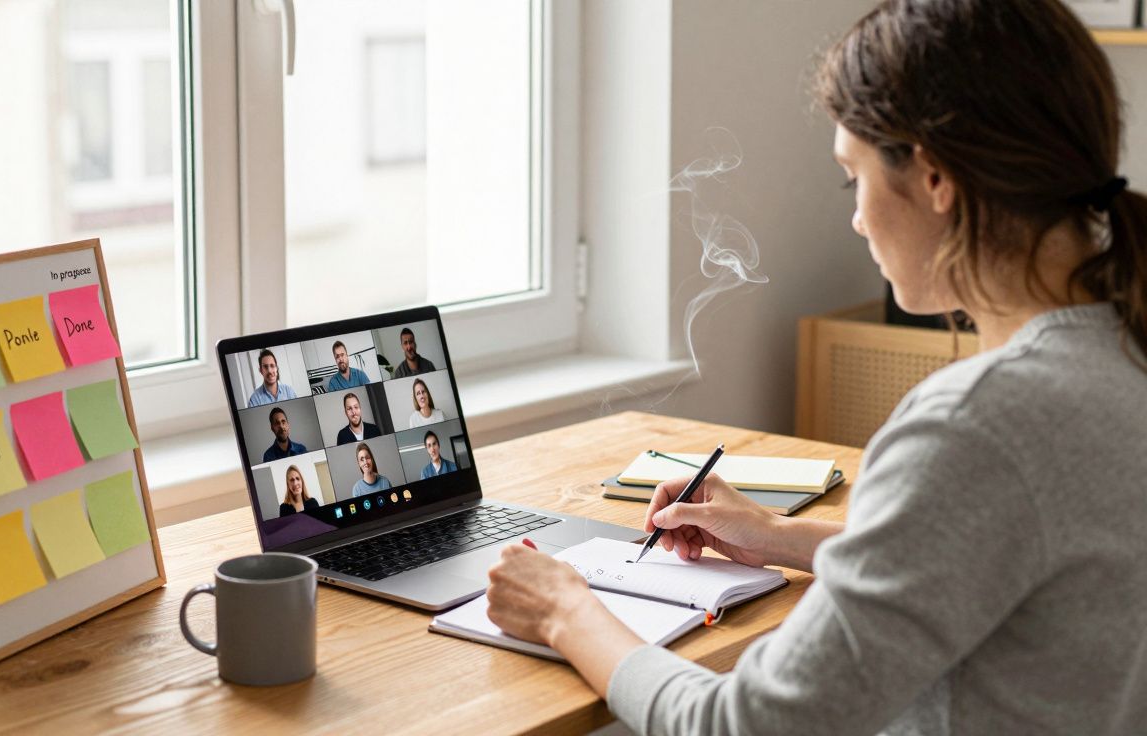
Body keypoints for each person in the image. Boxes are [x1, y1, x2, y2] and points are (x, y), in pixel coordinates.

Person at [484, 2, 1147, 733]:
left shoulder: (978, 425)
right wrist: (777, 535)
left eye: (850, 179)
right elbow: (1002, 562)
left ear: (933, 177)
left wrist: (567, 611)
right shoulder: (1121, 353)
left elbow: (742, 726)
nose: (858, 218)